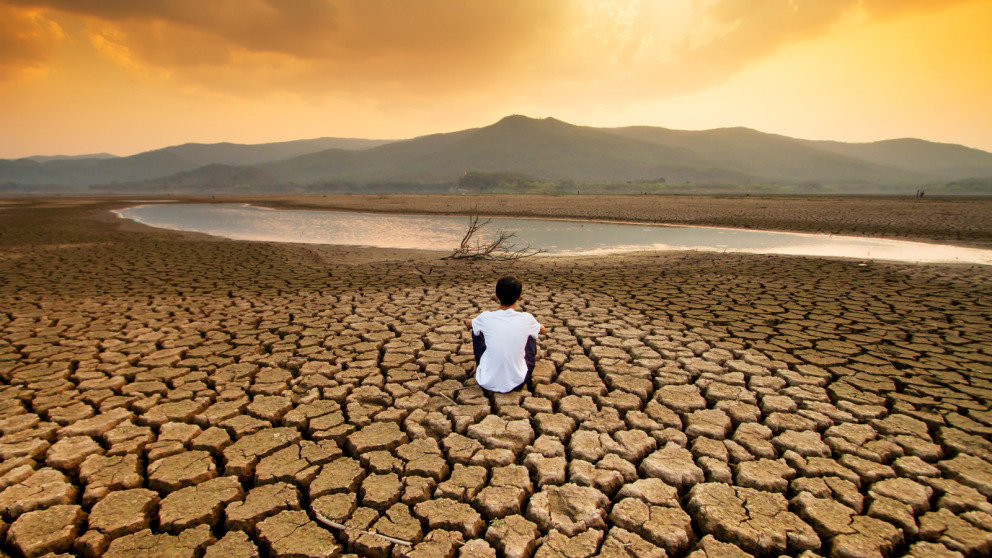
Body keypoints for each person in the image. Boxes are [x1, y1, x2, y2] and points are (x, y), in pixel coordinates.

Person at [464, 275, 546, 393]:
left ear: (496, 295)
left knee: (476, 329)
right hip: (518, 381)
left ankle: (487, 365)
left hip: (487, 381)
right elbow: (542, 330)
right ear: (519, 296)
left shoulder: (486, 317)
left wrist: (475, 322)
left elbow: (468, 324)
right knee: (532, 333)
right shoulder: (527, 319)